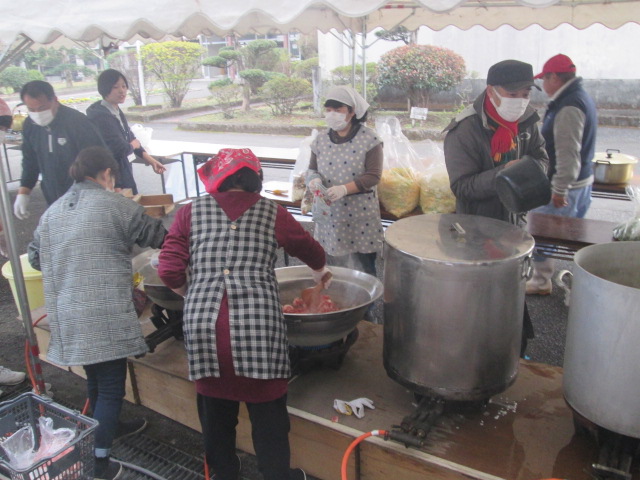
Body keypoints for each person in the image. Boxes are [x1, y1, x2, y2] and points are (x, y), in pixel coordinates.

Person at [158, 148, 328, 480]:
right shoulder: (272, 211)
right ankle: (276, 475)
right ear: (255, 178)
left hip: (204, 330)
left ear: (218, 177)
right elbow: (309, 248)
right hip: (259, 330)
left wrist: (192, 293)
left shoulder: (189, 211)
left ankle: (224, 473)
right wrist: (320, 271)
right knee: (269, 417)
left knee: (215, 415)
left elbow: (168, 270)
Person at [28, 146, 167, 480]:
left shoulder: (53, 211)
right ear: (107, 174)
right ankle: (98, 463)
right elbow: (159, 236)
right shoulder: (116, 204)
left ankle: (108, 427)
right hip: (104, 311)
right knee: (111, 387)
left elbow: (35, 257)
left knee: (96, 378)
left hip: (67, 311)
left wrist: (72, 259)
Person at [443, 59, 549, 355]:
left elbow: (542, 157)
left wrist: (528, 170)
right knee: (477, 297)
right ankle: (472, 353)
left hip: (514, 225)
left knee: (511, 292)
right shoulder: (465, 129)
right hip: (476, 230)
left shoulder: (527, 121)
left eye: (526, 93)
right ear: (492, 91)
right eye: (513, 94)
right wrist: (504, 175)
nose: (521, 101)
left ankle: (511, 349)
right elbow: (462, 187)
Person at [526, 54, 597, 295]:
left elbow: (568, 153)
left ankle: (540, 280)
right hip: (580, 182)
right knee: (556, 231)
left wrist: (559, 190)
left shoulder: (568, 106)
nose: (543, 85)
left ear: (554, 77)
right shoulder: (579, 97)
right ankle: (546, 278)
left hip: (567, 185)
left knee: (541, 231)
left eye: (544, 79)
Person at [305, 85, 384, 279]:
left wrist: (344, 189)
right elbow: (312, 169)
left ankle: (367, 298)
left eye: (338, 110)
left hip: (360, 215)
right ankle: (337, 295)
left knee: (364, 269)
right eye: (328, 110)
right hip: (330, 214)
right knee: (333, 267)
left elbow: (373, 175)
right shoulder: (320, 140)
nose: (332, 114)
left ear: (352, 111)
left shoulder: (370, 139)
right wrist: (314, 179)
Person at [14, 81, 106, 219]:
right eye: (31, 109)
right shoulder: (30, 125)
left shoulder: (77, 121)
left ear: (55, 100)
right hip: (53, 197)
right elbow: (30, 161)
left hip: (83, 198)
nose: (37, 114)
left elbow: (99, 159)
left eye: (42, 108)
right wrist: (24, 192)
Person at [87, 69, 166, 194]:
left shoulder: (115, 110)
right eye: (116, 87)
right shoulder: (101, 116)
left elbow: (130, 137)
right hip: (114, 179)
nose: (122, 91)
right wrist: (133, 145)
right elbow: (119, 149)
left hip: (124, 172)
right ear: (104, 89)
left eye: (124, 86)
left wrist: (151, 161)